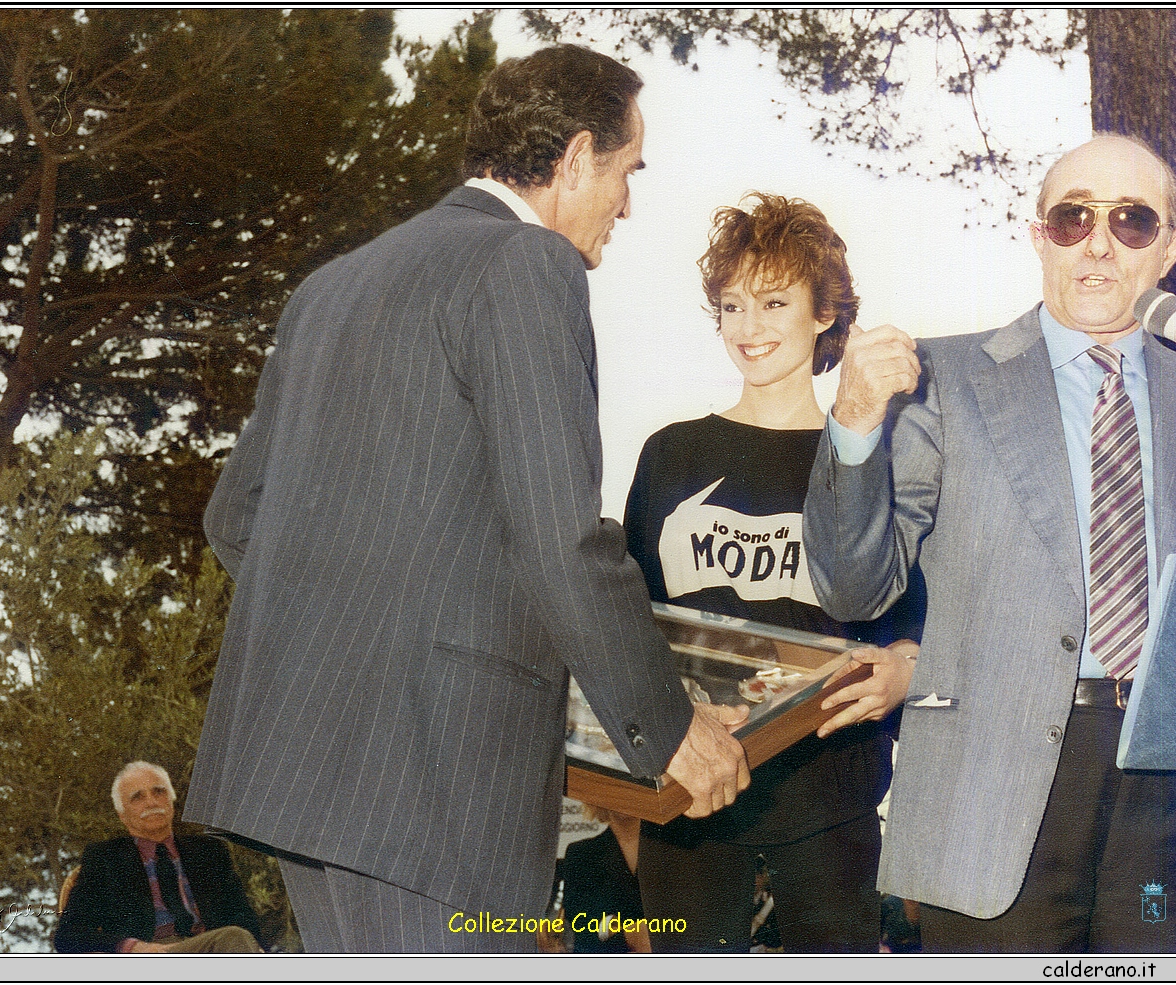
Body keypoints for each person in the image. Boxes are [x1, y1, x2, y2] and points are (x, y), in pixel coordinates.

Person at [182, 45, 748, 954]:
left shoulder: (329, 288)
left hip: (296, 765)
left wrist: (373, 639)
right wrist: (668, 724)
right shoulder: (527, 265)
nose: (629, 203)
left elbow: (237, 519)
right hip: (435, 785)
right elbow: (562, 537)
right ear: (573, 159)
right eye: (626, 170)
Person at [803, 133, 1176, 951]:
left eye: (1132, 221)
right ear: (1038, 237)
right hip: (993, 795)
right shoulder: (942, 379)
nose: (1099, 243)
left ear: (1169, 248)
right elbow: (854, 589)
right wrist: (851, 424)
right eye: (1072, 219)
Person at [623, 194, 920, 952]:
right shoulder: (670, 455)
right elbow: (625, 623)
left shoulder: (862, 458)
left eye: (774, 301)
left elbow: (905, 626)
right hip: (692, 795)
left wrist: (902, 669)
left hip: (831, 796)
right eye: (732, 305)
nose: (749, 328)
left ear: (825, 313)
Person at [54, 761, 262, 953]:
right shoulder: (105, 859)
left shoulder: (208, 851)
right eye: (137, 797)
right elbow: (69, 936)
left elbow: (244, 917)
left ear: (172, 801)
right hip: (148, 958)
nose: (151, 802)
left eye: (159, 792)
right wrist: (132, 948)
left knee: (234, 936)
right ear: (122, 814)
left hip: (210, 948)